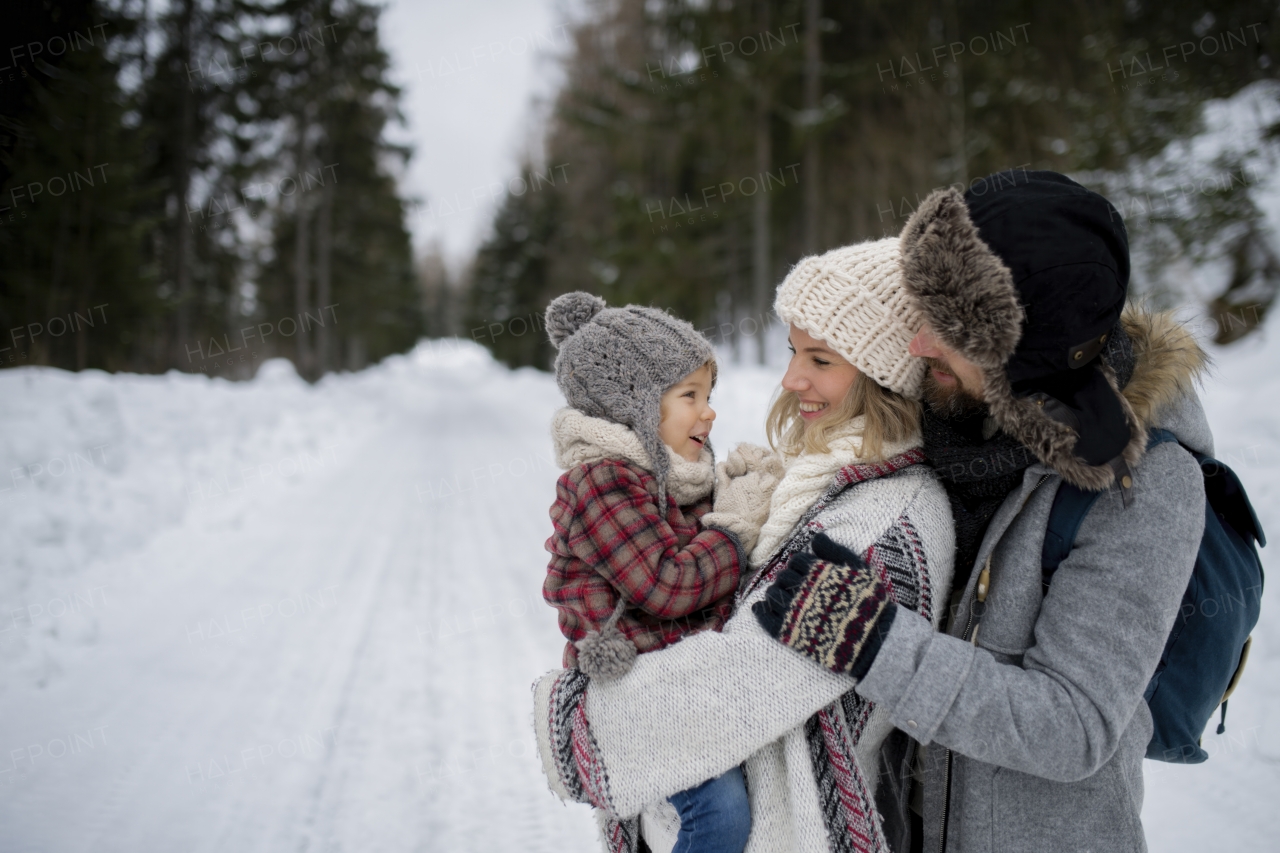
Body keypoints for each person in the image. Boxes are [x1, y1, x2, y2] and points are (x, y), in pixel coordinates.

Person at [751, 170, 1210, 852]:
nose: (919, 344)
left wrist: (874, 641)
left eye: (950, 328)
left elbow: (1074, 723)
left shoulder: (1145, 488)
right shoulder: (961, 424)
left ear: (1024, 349)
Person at [533, 240, 956, 853]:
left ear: (880, 372)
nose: (791, 378)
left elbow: (755, 671)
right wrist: (738, 510)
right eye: (792, 351)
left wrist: (584, 727)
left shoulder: (889, 514)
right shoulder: (818, 474)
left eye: (820, 358)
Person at [539, 291, 783, 853]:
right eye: (689, 396)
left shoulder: (676, 473)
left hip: (686, 682)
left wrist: (742, 487)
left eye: (709, 393)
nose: (709, 410)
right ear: (638, 406)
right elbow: (667, 585)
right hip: (637, 692)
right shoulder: (603, 483)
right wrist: (734, 529)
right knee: (718, 815)